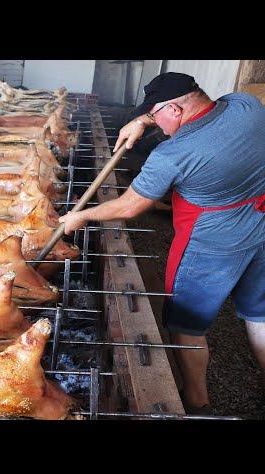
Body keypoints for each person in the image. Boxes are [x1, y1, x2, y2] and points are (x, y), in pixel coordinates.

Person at [57, 72, 265, 414]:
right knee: (260, 314)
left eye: (157, 113)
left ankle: (197, 402)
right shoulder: (247, 106)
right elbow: (204, 109)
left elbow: (130, 206)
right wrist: (144, 120)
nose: (160, 125)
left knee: (186, 323)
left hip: (210, 239)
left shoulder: (173, 154)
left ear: (175, 108)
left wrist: (82, 216)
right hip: (259, 223)